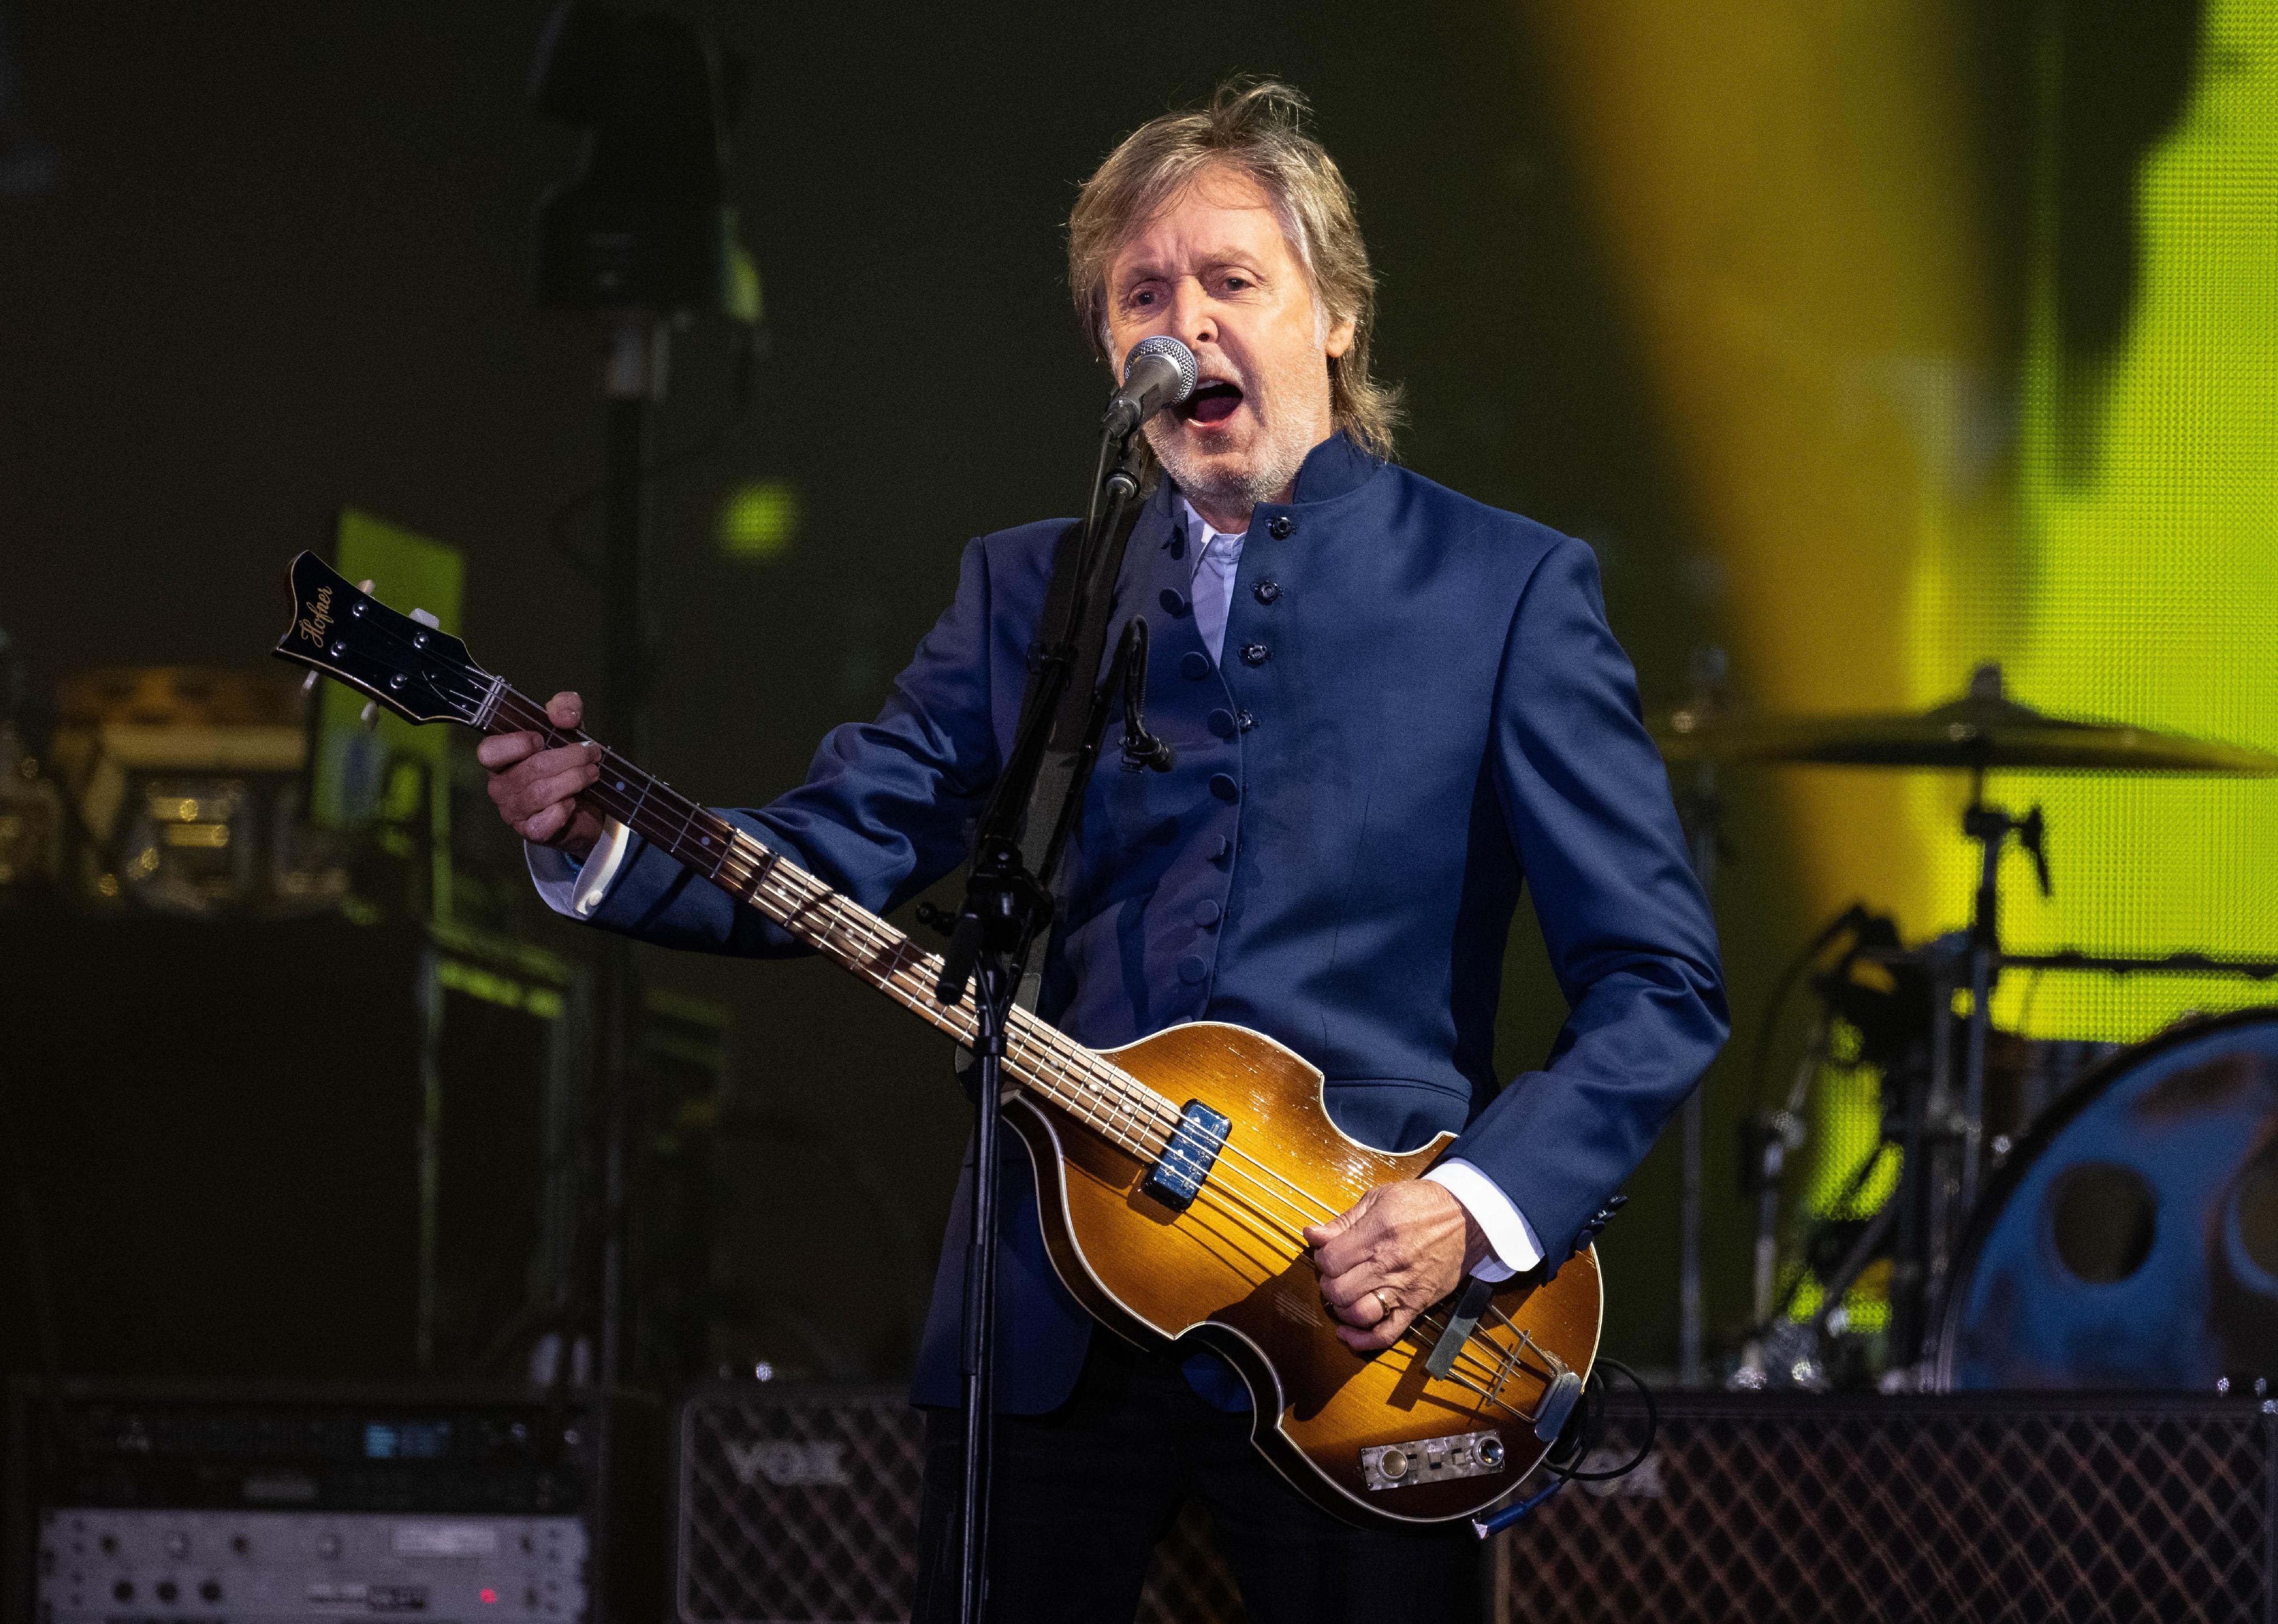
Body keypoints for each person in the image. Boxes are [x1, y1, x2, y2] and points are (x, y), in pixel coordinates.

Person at [479, 78, 1726, 1624]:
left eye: (1231, 282)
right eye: (1144, 293)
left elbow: (1659, 978)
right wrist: (603, 837)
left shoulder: (1506, 590)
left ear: (1334, 312)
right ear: (1106, 348)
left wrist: (1469, 1210)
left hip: (1366, 1319)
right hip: (1052, 1313)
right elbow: (840, 843)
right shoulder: (1034, 593)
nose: (1185, 322)